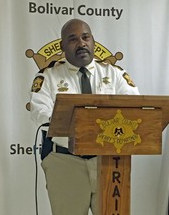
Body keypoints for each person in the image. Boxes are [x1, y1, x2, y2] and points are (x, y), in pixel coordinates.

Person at [29, 18, 139, 215]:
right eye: (73, 39)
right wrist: (83, 126)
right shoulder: (48, 76)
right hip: (65, 160)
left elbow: (136, 107)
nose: (81, 43)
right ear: (62, 46)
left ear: (93, 41)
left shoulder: (114, 74)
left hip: (109, 160)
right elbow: (40, 113)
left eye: (86, 37)